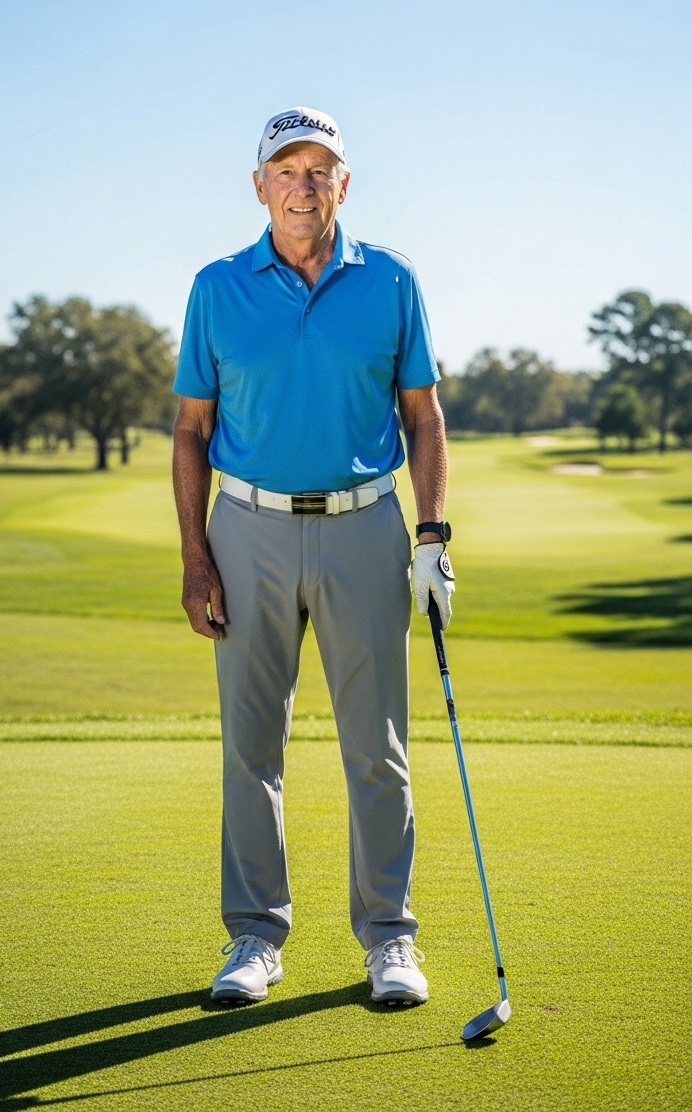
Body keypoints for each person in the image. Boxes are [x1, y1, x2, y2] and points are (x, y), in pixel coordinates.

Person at [171, 106, 454, 1006]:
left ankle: (389, 939)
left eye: (320, 169)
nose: (303, 184)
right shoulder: (216, 287)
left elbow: (422, 416)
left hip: (365, 524)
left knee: (378, 747)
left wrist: (432, 536)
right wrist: (195, 558)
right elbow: (190, 432)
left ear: (344, 184)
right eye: (286, 169)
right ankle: (254, 939)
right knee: (251, 748)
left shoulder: (391, 280)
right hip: (244, 529)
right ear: (259, 186)